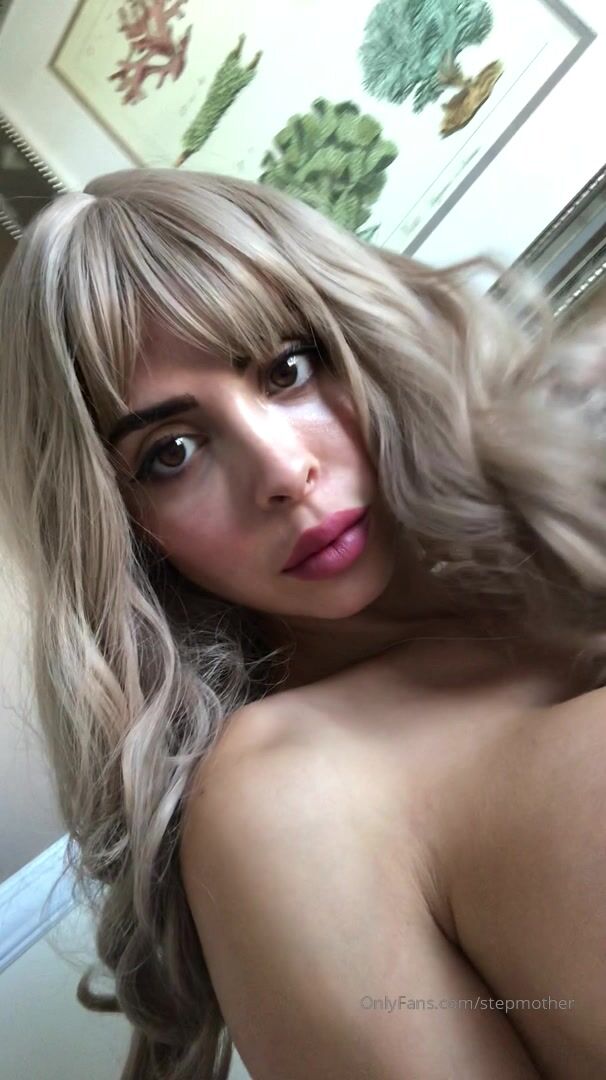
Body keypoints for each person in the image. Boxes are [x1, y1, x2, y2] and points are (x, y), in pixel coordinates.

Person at [0, 167, 604, 1080]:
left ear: (361, 338)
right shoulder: (281, 800)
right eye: (172, 452)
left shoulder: (567, 513)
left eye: (288, 369)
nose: (283, 471)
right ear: (126, 531)